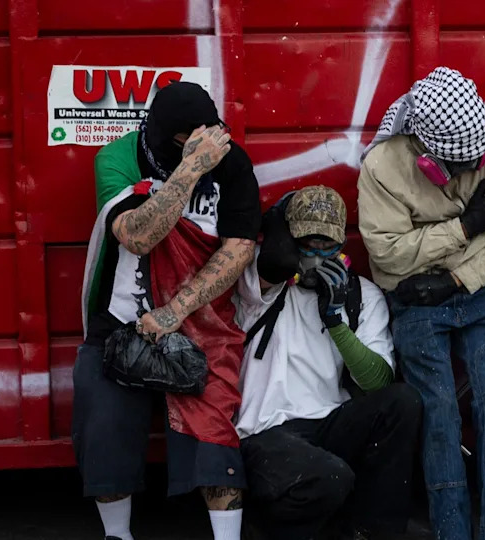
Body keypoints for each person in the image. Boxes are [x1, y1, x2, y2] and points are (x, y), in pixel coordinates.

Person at [73, 82, 260, 540]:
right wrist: (193, 167)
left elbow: (238, 249)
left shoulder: (233, 161)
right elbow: (137, 235)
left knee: (215, 441)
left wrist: (176, 311)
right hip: (121, 323)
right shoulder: (117, 159)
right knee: (104, 425)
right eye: (186, 143)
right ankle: (117, 534)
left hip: (198, 322)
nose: (203, 147)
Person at [357, 66, 485, 540]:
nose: (474, 170)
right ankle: (451, 532)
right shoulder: (383, 167)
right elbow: (387, 255)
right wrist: (468, 227)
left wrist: (454, 277)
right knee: (438, 412)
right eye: (459, 166)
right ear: (425, 152)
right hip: (414, 297)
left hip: (475, 288)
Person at [234, 185, 422, 540]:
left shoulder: (360, 294)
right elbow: (260, 262)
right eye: (308, 246)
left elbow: (379, 382)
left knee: (403, 402)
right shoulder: (260, 288)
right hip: (265, 432)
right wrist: (281, 251)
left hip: (329, 421)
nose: (317, 258)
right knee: (330, 477)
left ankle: (375, 531)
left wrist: (336, 322)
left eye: (328, 248)